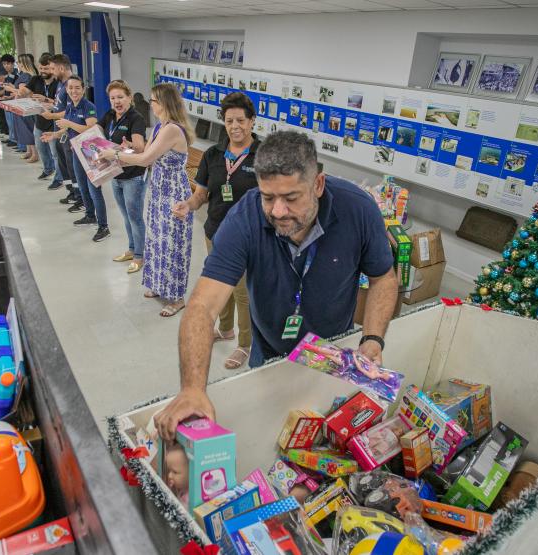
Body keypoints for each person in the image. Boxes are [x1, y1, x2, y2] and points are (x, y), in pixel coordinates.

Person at [153, 131, 399, 440]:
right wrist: (191, 389)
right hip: (269, 350)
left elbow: (383, 278)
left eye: (291, 198)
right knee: (269, 432)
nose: (278, 211)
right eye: (268, 197)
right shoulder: (244, 217)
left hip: (334, 351)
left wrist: (373, 339)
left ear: (318, 184)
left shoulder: (358, 209)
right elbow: (202, 305)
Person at [172, 92, 258, 369]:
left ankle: (245, 344)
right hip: (216, 232)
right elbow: (201, 195)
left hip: (248, 238)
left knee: (243, 293)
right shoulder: (213, 155)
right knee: (221, 286)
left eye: (241, 120)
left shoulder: (264, 156)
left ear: (252, 121)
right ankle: (226, 329)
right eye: (229, 121)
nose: (235, 126)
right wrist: (188, 205)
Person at [111, 83, 195, 317]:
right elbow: (144, 154)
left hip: (174, 195)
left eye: (153, 101)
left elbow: (145, 159)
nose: (150, 104)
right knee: (158, 242)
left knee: (173, 245)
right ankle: (159, 285)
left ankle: (177, 298)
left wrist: (114, 154)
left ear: (164, 103)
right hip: (159, 193)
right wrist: (128, 148)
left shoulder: (172, 129)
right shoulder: (160, 126)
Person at [44, 76, 109, 241]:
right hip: (76, 153)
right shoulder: (70, 107)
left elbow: (91, 129)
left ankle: (103, 226)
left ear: (83, 89)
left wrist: (69, 124)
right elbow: (68, 129)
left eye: (77, 88)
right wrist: (54, 135)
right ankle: (90, 215)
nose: (74, 91)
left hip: (90, 154)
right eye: (71, 88)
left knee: (94, 190)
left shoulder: (89, 107)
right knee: (82, 186)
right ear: (66, 90)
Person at [98, 80, 147, 272]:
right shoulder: (110, 115)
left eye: (120, 97)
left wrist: (128, 146)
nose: (116, 101)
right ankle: (132, 249)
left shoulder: (136, 118)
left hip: (133, 176)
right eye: (113, 98)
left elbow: (140, 148)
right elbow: (96, 132)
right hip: (116, 174)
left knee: (135, 217)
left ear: (129, 98)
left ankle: (140, 256)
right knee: (126, 217)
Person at [41, 54, 80, 205]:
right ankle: (71, 191)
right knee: (64, 164)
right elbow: (61, 105)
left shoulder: (72, 85)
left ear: (62, 68)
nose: (51, 72)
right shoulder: (60, 84)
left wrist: (51, 116)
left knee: (71, 164)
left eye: (53, 68)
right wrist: (49, 105)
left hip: (69, 131)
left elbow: (71, 111)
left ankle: (79, 196)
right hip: (59, 130)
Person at [21, 53, 58, 180]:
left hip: (54, 123)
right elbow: (24, 91)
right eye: (41, 68)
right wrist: (20, 91)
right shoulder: (36, 79)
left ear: (52, 68)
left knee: (55, 153)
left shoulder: (59, 83)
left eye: (46, 68)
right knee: (41, 149)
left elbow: (62, 104)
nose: (42, 71)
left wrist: (45, 99)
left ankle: (59, 177)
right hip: (40, 122)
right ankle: (48, 169)